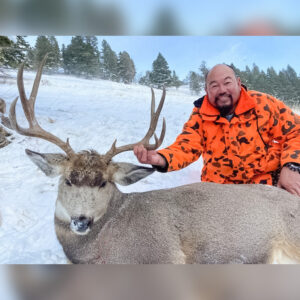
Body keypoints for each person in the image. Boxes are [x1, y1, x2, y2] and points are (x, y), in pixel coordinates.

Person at [134, 64, 300, 197]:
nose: (222, 90)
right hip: (220, 193)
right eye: (214, 85)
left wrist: (292, 167)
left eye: (227, 82)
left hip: (266, 185)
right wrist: (161, 158)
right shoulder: (200, 115)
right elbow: (186, 146)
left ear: (238, 82)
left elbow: (296, 131)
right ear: (206, 91)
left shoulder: (263, 104)